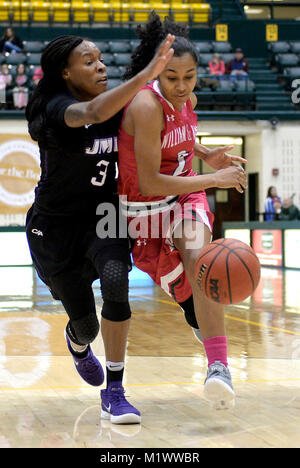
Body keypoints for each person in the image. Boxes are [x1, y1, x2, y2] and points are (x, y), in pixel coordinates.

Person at [25, 34, 175, 425]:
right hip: (54, 227)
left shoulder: (120, 106)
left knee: (115, 278)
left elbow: (156, 138)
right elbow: (90, 112)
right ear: (65, 72)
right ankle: (77, 344)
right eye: (89, 62)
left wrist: (204, 151)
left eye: (102, 59)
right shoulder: (55, 107)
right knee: (86, 325)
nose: (101, 66)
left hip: (104, 213)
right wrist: (145, 75)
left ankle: (115, 391)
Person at [118, 14, 248, 411]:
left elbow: (183, 139)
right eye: (172, 77)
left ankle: (219, 366)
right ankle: (197, 318)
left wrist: (207, 153)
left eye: (188, 77)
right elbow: (152, 182)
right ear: (158, 72)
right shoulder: (144, 105)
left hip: (183, 199)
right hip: (143, 210)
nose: (181, 86)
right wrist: (215, 179)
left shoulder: (187, 101)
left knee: (200, 259)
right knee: (185, 295)